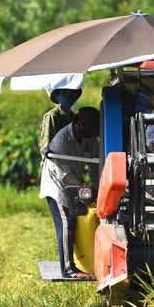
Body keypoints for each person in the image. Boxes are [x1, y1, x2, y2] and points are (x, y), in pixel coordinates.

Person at [39, 106, 100, 279]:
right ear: (79, 125)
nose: (92, 135)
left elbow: (96, 164)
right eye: (90, 130)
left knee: (77, 220)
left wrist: (96, 187)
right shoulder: (61, 142)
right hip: (56, 184)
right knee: (67, 223)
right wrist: (85, 190)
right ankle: (69, 270)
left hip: (73, 182)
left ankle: (79, 263)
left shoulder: (89, 138)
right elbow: (65, 176)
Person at [39, 88, 83, 165]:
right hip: (56, 165)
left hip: (73, 163)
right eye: (64, 93)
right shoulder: (52, 117)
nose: (68, 95)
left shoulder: (75, 118)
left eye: (71, 93)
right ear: (56, 96)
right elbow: (46, 146)